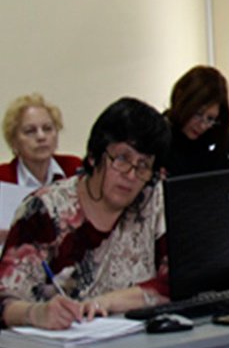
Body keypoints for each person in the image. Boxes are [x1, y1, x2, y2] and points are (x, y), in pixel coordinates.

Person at [0, 97, 171, 330]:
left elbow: (179, 280)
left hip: (141, 341)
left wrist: (107, 302)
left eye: (143, 165)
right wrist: (36, 314)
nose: (131, 175)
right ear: (93, 156)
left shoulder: (152, 199)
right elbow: (4, 300)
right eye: (122, 159)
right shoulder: (44, 210)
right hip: (60, 346)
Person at [1, 94, 83, 242]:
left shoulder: (74, 168)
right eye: (30, 131)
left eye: (47, 129)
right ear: (14, 142)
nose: (41, 137)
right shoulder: (2, 177)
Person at [161, 65, 229, 178]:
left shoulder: (218, 132)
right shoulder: (159, 137)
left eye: (210, 118)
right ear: (180, 100)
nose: (202, 126)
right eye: (198, 114)